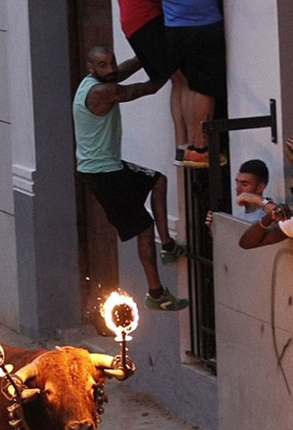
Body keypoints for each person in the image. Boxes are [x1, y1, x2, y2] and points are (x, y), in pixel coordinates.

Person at [72, 45, 188, 311]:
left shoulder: (96, 80)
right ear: (91, 68)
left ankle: (168, 245)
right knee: (143, 227)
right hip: (103, 174)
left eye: (111, 62)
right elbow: (146, 88)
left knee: (158, 181)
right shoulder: (100, 92)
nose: (111, 68)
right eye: (103, 65)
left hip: (109, 167)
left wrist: (147, 52)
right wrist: (172, 64)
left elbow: (123, 70)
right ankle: (156, 293)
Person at [116, 0, 190, 161]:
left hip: (133, 22)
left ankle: (182, 146)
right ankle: (188, 144)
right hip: (146, 18)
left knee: (177, 80)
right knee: (183, 80)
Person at [162, 0, 227, 165]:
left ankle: (191, 146)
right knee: (204, 89)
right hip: (204, 23)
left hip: (174, 26)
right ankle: (201, 148)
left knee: (188, 86)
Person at [205, 159, 277, 230]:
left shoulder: (268, 212)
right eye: (237, 183)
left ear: (260, 187)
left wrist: (257, 199)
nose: (237, 189)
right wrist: (215, 228)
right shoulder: (239, 217)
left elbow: (280, 214)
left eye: (244, 184)